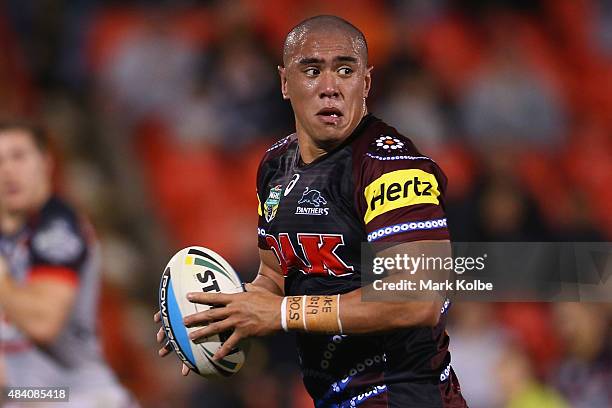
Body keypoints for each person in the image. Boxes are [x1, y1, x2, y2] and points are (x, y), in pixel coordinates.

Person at [155, 15, 467, 407]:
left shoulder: (390, 167)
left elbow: (418, 298)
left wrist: (283, 313)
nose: (330, 87)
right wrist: (216, 315)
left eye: (345, 70)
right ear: (285, 82)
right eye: (312, 70)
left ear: (365, 83)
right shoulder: (274, 166)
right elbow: (274, 275)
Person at [0, 120, 135, 407]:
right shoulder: (8, 238)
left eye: (18, 156)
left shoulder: (59, 227)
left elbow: (43, 322)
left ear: (45, 162)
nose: (8, 170)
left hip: (81, 396)